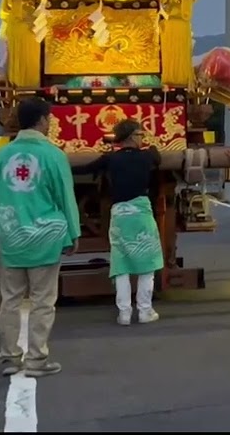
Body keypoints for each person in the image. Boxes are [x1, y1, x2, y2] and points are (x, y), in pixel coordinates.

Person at [0, 98, 81, 377]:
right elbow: (66, 197)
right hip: (45, 238)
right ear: (41, 120)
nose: (50, 124)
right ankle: (37, 360)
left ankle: (10, 358)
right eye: (48, 119)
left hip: (11, 237)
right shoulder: (53, 155)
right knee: (42, 301)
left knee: (10, 299)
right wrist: (74, 232)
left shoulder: (2, 156)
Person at [70, 119, 163, 327]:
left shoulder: (110, 159)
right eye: (140, 135)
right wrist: (154, 147)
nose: (142, 138)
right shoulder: (148, 157)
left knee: (121, 264)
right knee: (147, 264)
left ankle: (124, 313)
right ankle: (145, 310)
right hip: (141, 213)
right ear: (131, 137)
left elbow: (85, 168)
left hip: (120, 215)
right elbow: (158, 156)